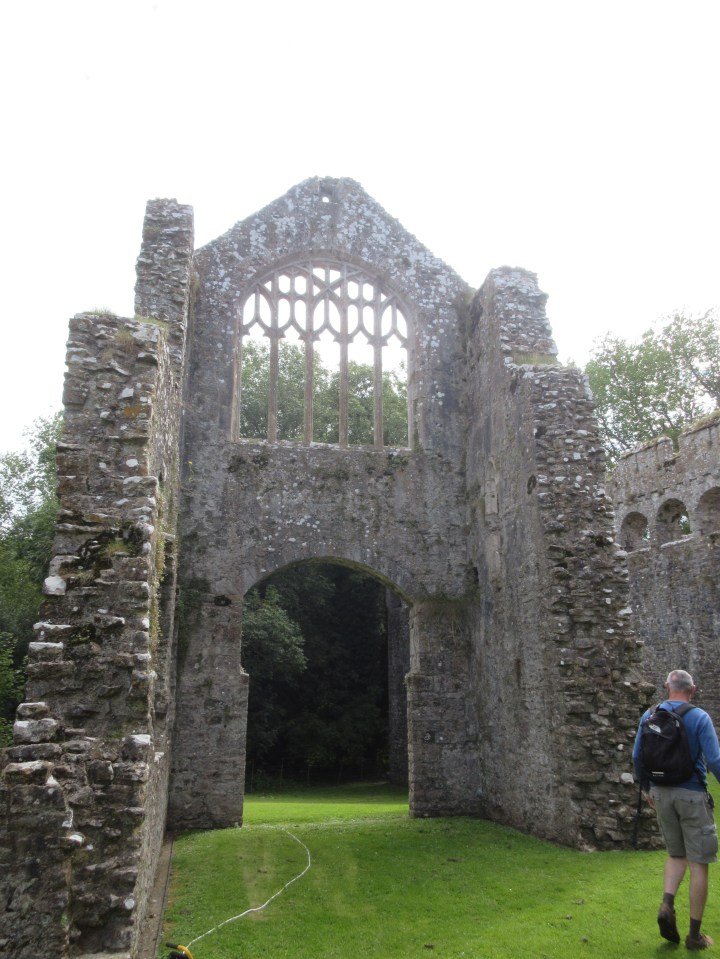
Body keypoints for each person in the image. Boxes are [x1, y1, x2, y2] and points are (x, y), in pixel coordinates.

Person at [633, 669, 720, 950]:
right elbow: (715, 761)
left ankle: (667, 904)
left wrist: (647, 788)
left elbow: (637, 756)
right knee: (699, 863)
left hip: (661, 794)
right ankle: (694, 937)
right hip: (692, 794)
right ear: (692, 689)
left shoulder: (649, 715)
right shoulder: (699, 717)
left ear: (666, 687)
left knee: (675, 855)